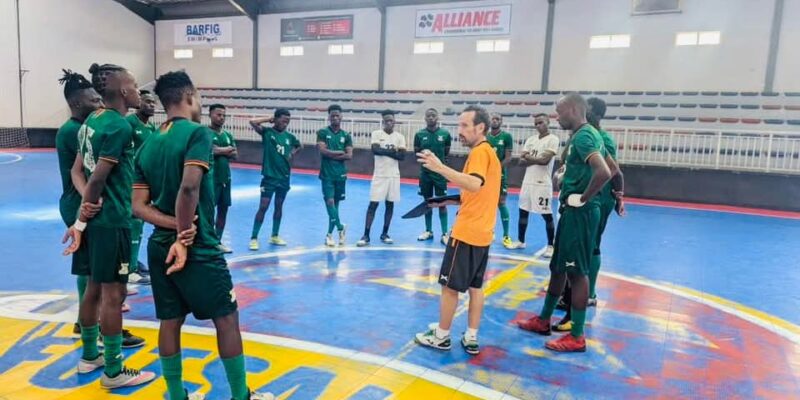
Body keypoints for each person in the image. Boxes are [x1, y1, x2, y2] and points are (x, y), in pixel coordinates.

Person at [132, 70, 273, 400]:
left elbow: (137, 206)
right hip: (197, 246)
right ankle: (241, 395)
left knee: (170, 320)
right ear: (190, 96)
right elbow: (189, 188)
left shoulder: (148, 143)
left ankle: (176, 395)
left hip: (158, 245)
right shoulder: (198, 134)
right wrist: (184, 236)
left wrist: (172, 227)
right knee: (226, 318)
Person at [62, 63, 155, 388]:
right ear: (122, 91)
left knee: (92, 289)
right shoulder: (119, 126)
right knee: (114, 295)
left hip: (95, 221)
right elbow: (98, 177)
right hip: (113, 221)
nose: (138, 91)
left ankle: (90, 356)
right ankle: (114, 372)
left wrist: (84, 210)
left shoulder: (91, 120)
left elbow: (77, 172)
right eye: (134, 85)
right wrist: (85, 212)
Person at [516, 93, 611, 353]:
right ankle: (544, 320)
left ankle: (577, 336)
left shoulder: (584, 136)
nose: (556, 117)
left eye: (559, 112)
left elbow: (604, 171)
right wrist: (564, 176)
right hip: (572, 212)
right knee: (558, 267)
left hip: (580, 213)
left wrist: (583, 197)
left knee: (576, 273)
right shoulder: (582, 135)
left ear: (573, 110)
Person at [414, 105, 501, 356]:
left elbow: (474, 183)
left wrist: (439, 167)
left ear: (480, 127)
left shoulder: (480, 152)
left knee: (449, 287)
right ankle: (471, 336)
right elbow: (478, 192)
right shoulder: (489, 153)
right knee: (476, 287)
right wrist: (448, 200)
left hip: (467, 233)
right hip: (483, 232)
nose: (459, 131)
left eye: (464, 125)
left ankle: (441, 336)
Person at [248, 109, 301, 250]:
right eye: (283, 120)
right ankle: (254, 238)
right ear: (276, 119)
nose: (285, 124)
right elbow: (252, 122)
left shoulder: (290, 137)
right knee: (263, 207)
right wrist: (268, 119)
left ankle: (275, 235)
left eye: (287, 122)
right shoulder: (267, 133)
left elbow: (299, 145)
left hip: (284, 178)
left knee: (279, 206)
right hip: (269, 178)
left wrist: (292, 153)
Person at [509, 113, 560, 257]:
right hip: (527, 181)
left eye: (541, 122)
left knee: (546, 214)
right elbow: (521, 162)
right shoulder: (531, 140)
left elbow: (544, 161)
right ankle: (521, 241)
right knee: (523, 211)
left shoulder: (553, 139)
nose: (538, 125)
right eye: (536, 123)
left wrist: (528, 157)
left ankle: (550, 245)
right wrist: (536, 159)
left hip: (542, 183)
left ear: (548, 122)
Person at [357, 110, 406, 246]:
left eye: (391, 120)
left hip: (394, 176)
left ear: (394, 121)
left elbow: (402, 156)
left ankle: (385, 233)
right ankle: (366, 235)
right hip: (379, 175)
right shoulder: (376, 134)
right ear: (383, 122)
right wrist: (392, 152)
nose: (389, 123)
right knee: (373, 204)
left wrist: (384, 151)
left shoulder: (400, 137)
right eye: (386, 121)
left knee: (390, 204)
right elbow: (375, 150)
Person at [125, 90, 156, 284]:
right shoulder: (129, 123)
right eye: (147, 102)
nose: (151, 105)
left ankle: (133, 261)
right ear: (139, 103)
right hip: (131, 181)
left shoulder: (151, 128)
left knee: (140, 222)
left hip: (145, 182)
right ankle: (128, 270)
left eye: (153, 102)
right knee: (134, 222)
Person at [413, 108, 452, 245]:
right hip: (425, 174)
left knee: (442, 203)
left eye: (433, 115)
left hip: (440, 175)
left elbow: (446, 152)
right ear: (425, 118)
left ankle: (445, 233)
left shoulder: (445, 134)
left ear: (437, 117)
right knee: (428, 203)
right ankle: (428, 231)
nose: (431, 118)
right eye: (428, 116)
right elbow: (416, 152)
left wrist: (440, 166)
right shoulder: (419, 134)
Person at [317, 104, 353, 247]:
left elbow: (349, 155)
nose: (335, 118)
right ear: (329, 117)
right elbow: (322, 151)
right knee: (330, 203)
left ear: (341, 117)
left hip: (341, 175)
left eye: (337, 115)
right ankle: (340, 227)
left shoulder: (346, 136)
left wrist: (331, 154)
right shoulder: (322, 132)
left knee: (335, 206)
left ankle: (329, 235)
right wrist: (339, 152)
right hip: (327, 174)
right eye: (333, 116)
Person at [209, 104, 237, 253]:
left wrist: (219, 150)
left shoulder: (228, 135)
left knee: (223, 210)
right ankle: (207, 241)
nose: (221, 118)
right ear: (210, 115)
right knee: (208, 212)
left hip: (226, 178)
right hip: (211, 179)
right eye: (218, 115)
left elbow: (235, 154)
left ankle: (217, 241)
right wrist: (226, 150)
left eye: (223, 115)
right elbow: (210, 150)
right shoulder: (205, 133)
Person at [485, 113, 515, 248]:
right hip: (486, 176)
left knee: (501, 202)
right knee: (487, 204)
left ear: (501, 122)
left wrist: (495, 169)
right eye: (493, 118)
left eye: (497, 119)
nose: (495, 121)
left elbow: (508, 158)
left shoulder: (507, 136)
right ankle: (489, 232)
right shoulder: (485, 137)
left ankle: (506, 235)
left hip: (500, 175)